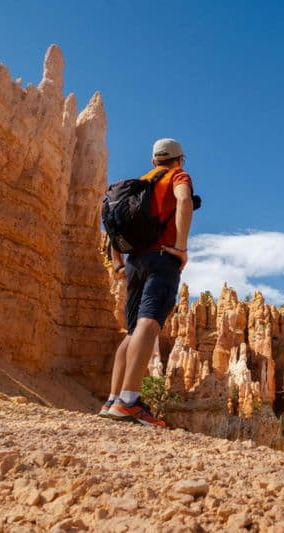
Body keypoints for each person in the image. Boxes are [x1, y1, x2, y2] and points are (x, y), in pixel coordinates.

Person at [99, 138, 194, 427]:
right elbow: (184, 200)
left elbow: (112, 222)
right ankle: (129, 402)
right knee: (149, 323)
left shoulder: (136, 185)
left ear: (154, 161)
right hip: (161, 259)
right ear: (180, 159)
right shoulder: (178, 176)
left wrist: (117, 262)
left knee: (131, 331)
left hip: (133, 262)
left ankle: (112, 400)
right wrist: (180, 246)